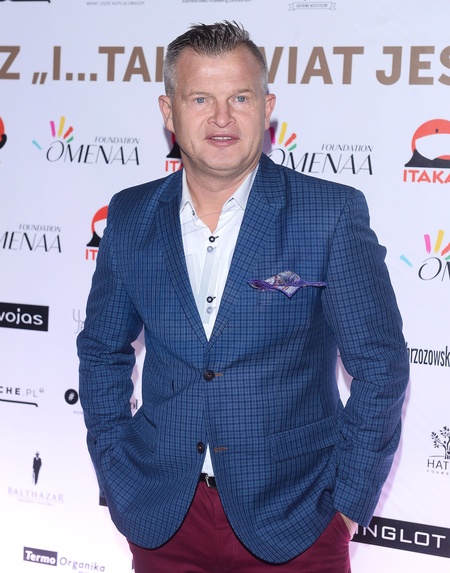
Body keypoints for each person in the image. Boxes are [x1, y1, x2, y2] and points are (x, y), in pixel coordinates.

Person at [77, 21, 409, 572]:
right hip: (162, 517)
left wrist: (348, 505)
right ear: (168, 111)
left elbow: (381, 365)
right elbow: (101, 350)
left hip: (297, 521)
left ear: (267, 107)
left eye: (240, 97)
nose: (222, 118)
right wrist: (115, 469)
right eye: (200, 98)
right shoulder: (131, 215)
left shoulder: (329, 213)